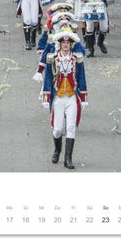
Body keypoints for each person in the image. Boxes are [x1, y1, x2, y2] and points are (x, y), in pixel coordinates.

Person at [41, 28, 88, 169]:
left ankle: (68, 158)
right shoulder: (53, 58)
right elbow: (48, 78)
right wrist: (46, 97)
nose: (66, 44)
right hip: (58, 97)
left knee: (71, 127)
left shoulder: (77, 58)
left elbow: (81, 77)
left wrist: (84, 97)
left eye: (68, 42)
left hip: (72, 97)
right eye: (64, 42)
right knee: (57, 129)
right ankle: (57, 150)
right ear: (60, 44)